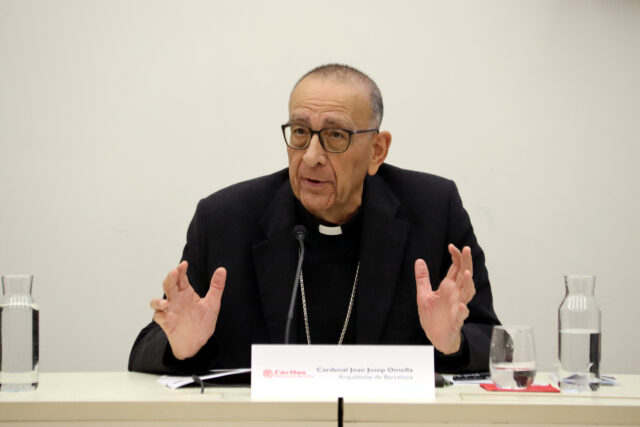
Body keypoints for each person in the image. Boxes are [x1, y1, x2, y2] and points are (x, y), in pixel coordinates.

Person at [129, 64, 500, 376]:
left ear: (377, 150)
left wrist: (453, 343)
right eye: (301, 132)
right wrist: (182, 348)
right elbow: (144, 350)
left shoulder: (433, 211)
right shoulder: (224, 220)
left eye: (335, 135)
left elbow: (494, 343)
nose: (311, 156)